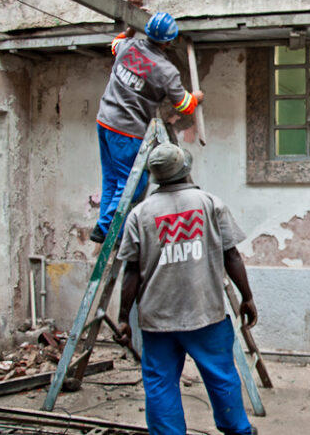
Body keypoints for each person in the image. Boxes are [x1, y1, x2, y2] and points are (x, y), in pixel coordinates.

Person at [116, 142, 257, 435]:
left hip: (157, 318)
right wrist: (247, 297)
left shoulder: (139, 215)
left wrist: (122, 317)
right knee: (221, 377)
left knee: (160, 382)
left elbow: (131, 272)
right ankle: (237, 430)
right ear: (186, 170)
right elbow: (231, 255)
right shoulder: (209, 203)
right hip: (205, 312)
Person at [91, 12, 204, 243]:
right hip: (127, 130)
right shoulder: (165, 71)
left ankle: (103, 228)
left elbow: (115, 43)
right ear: (168, 42)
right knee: (134, 183)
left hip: (105, 120)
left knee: (111, 179)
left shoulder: (128, 47)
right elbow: (183, 104)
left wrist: (129, 29)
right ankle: (109, 230)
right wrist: (196, 97)